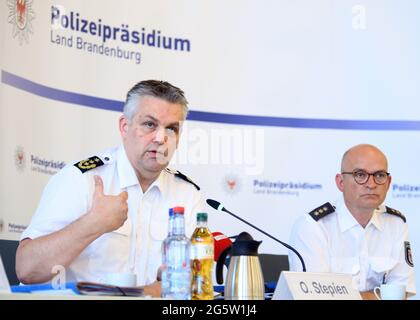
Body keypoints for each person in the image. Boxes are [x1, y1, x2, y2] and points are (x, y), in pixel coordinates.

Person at [15, 80, 204, 297]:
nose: (161, 139)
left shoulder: (188, 195)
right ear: (125, 126)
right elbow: (26, 269)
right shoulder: (82, 179)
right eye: (150, 124)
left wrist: (161, 287)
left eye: (171, 129)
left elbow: (192, 283)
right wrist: (92, 223)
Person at [288, 144, 415, 299]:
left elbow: (401, 292)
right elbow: (315, 296)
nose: (371, 184)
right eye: (360, 175)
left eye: (379, 175)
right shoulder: (312, 227)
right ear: (340, 182)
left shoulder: (396, 224)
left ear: (388, 183)